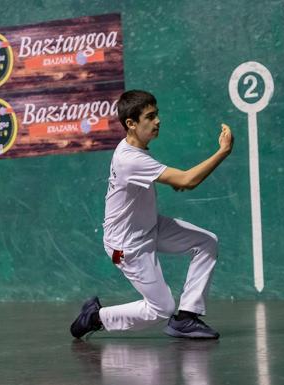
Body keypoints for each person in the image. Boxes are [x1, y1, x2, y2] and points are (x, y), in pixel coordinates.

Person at [70, 90, 234, 340]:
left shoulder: (134, 148)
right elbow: (188, 180)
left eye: (157, 114)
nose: (158, 121)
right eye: (150, 116)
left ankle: (187, 317)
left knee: (206, 242)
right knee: (161, 309)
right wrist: (223, 151)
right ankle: (95, 317)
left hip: (150, 227)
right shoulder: (130, 159)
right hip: (127, 245)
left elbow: (165, 180)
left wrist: (173, 181)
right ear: (131, 124)